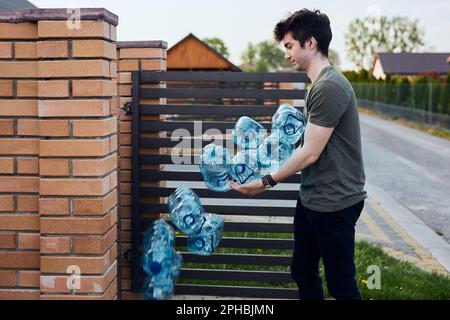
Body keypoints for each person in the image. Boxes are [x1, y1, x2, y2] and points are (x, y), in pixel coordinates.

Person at [229, 9, 367, 300]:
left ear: (311, 43)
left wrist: (264, 182)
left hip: (335, 201)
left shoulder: (329, 86)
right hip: (313, 197)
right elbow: (306, 145)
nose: (286, 54)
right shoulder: (318, 84)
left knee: (341, 284)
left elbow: (310, 153)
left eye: (290, 45)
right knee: (302, 271)